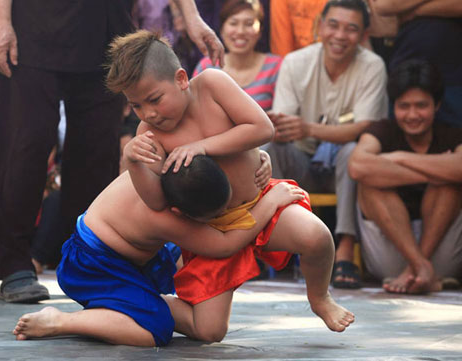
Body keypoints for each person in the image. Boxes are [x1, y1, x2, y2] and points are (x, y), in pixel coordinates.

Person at [105, 30, 355, 338]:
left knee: (317, 236)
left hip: (259, 201)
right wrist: (133, 162)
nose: (150, 113)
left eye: (155, 99)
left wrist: (203, 146)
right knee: (209, 331)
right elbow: (157, 202)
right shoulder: (149, 133)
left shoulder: (212, 84)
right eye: (137, 106)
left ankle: (320, 297)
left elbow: (262, 128)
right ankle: (131, 303)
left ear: (181, 79)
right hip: (209, 229)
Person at [0, 0, 224, 303]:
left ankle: (90, 259)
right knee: (24, 142)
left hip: (109, 26)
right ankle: (13, 263)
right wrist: (1, 22)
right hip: (35, 23)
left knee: (97, 151)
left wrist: (192, 17)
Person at [12, 154, 304, 346]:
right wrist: (269, 204)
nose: (218, 217)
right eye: (208, 218)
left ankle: (128, 305)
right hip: (93, 267)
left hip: (135, 257)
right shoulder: (163, 216)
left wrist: (258, 157)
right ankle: (61, 321)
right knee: (154, 330)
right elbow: (224, 244)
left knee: (203, 322)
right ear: (179, 212)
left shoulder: (174, 161)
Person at [264, 0, 388, 289]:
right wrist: (280, 129)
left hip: (347, 171)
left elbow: (368, 127)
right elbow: (284, 122)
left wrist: (307, 128)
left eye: (351, 28)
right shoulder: (296, 62)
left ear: (363, 35)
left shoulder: (372, 66)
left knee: (353, 152)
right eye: (333, 25)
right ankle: (269, 244)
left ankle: (345, 247)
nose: (340, 35)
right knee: (270, 152)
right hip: (303, 161)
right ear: (320, 26)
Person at [348, 59, 462, 294]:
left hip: (443, 253)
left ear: (437, 105)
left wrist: (399, 157)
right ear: (394, 106)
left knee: (449, 186)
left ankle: (418, 268)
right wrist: (436, 170)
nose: (412, 115)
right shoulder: (382, 131)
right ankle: (420, 267)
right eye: (404, 106)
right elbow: (358, 166)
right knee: (369, 185)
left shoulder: (451, 135)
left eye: (421, 105)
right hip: (390, 255)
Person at [372, 0, 462, 128]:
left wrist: (416, 11)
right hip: (406, 67)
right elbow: (384, 5)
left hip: (453, 74)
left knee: (456, 138)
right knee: (403, 138)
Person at [192, 0, 281, 111]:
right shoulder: (207, 66)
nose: (240, 31)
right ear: (222, 29)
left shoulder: (276, 67)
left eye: (249, 24)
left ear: (260, 31)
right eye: (233, 23)